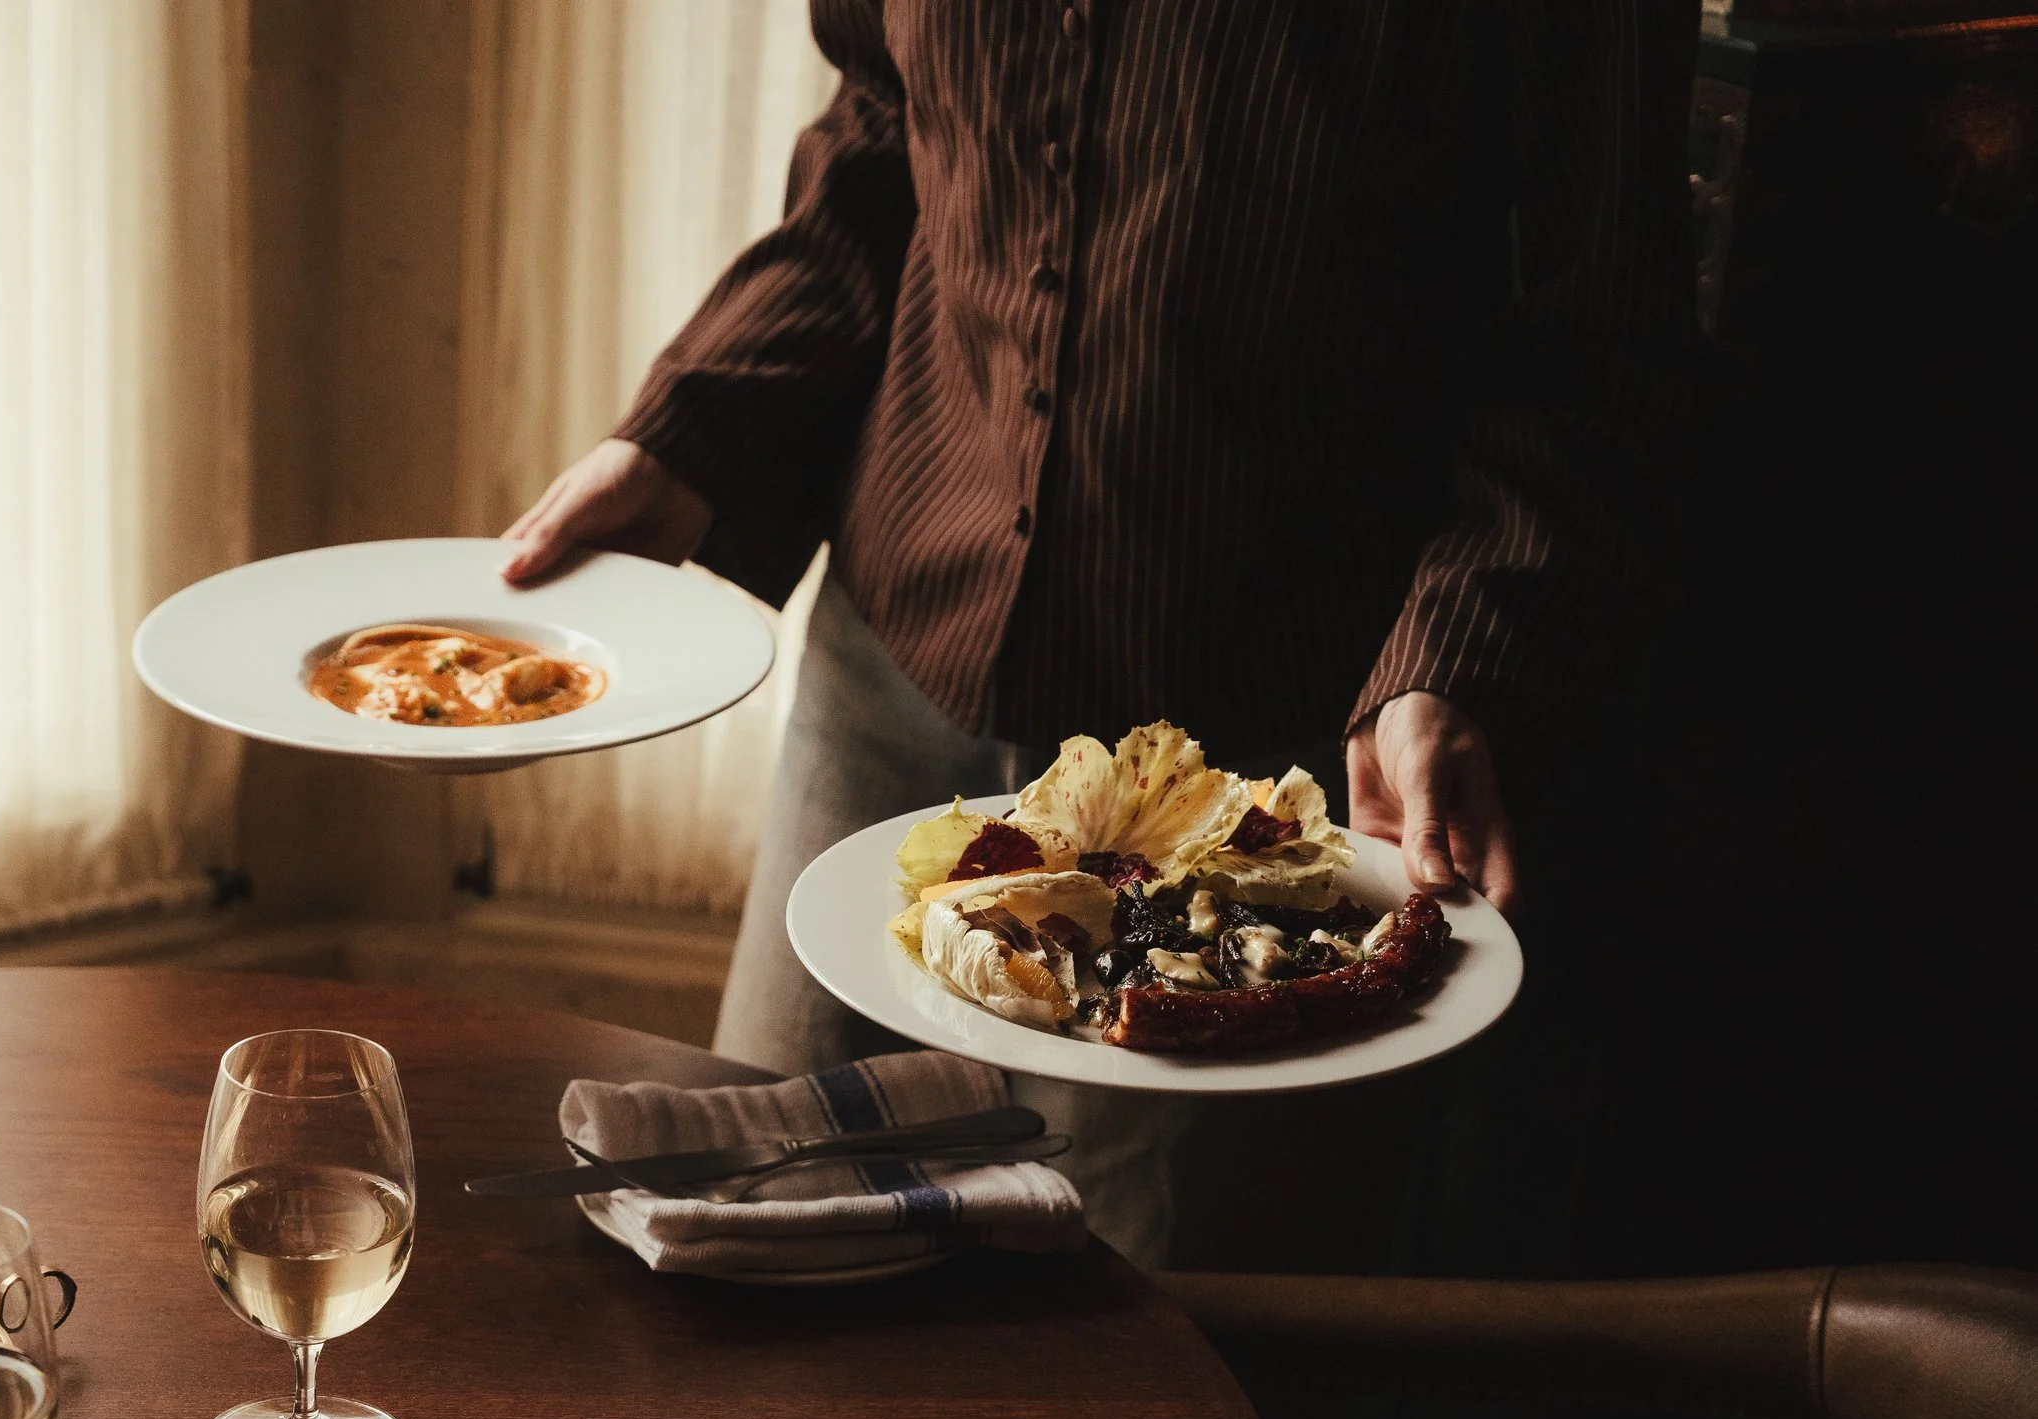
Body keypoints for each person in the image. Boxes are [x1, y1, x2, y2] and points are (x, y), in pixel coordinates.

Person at [501, 1, 1698, 1269]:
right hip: (897, 669)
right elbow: (883, 130)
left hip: (1270, 764)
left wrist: (1459, 654)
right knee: (757, 1247)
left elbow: (1601, 328)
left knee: (1140, 1357)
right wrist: (691, 436)